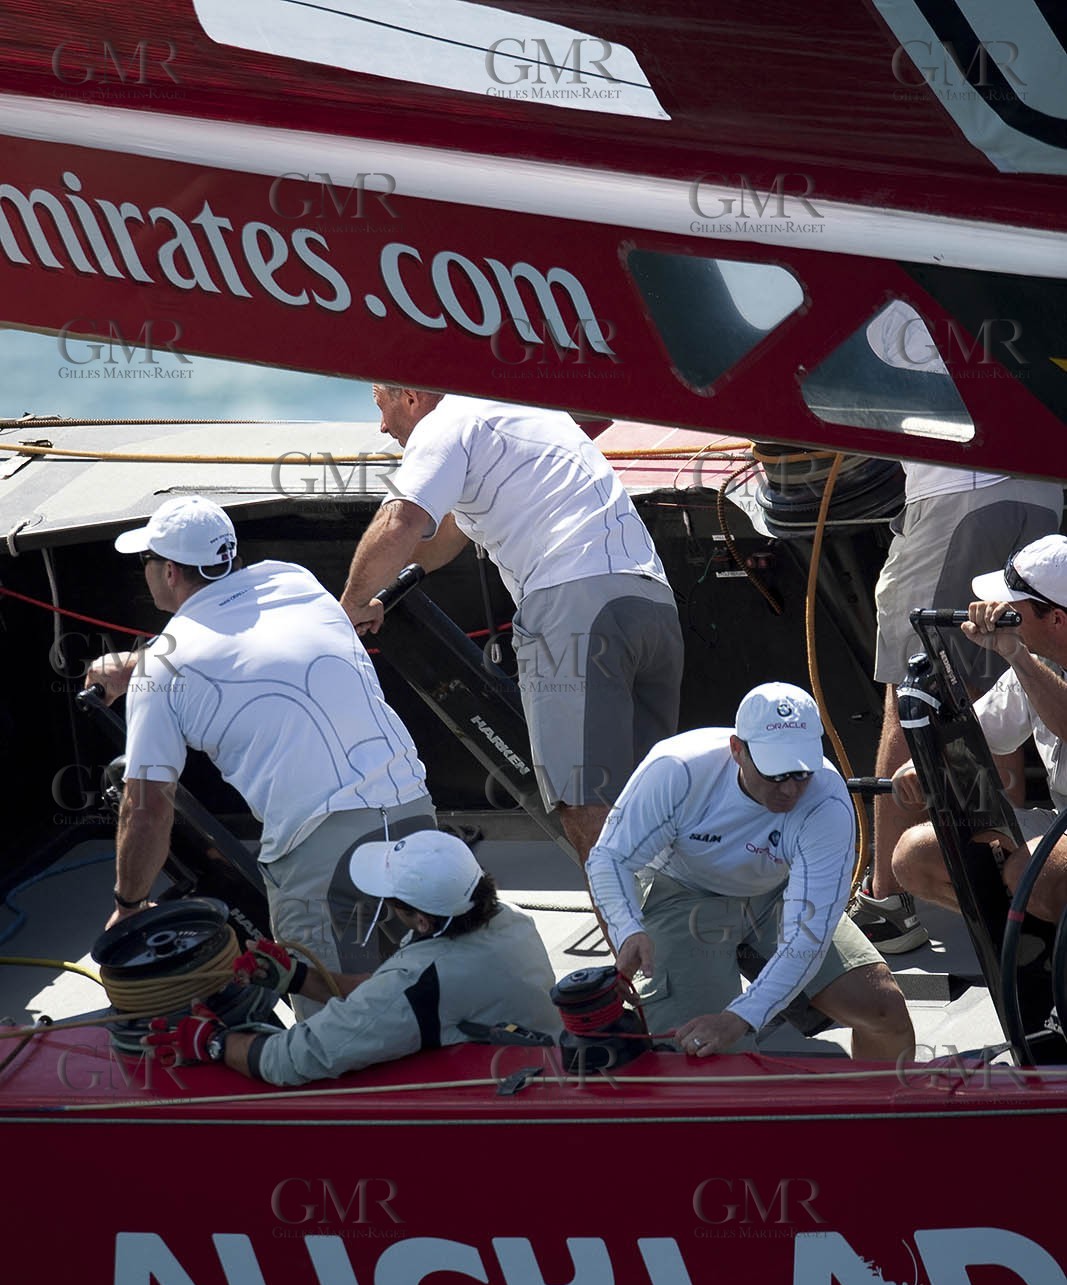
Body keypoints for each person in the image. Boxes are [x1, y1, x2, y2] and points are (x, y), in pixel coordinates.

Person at [86, 496, 434, 1002]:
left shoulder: (163, 667)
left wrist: (130, 902)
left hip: (324, 855)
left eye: (146, 563)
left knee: (341, 1016)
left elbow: (146, 808)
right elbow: (247, 643)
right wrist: (139, 665)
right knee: (428, 979)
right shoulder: (296, 580)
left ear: (167, 572)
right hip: (412, 810)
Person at [338, 388, 685, 863]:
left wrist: (350, 606)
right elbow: (442, 540)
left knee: (583, 800)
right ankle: (683, 925)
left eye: (380, 405)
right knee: (653, 793)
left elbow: (402, 521)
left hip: (573, 604)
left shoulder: (446, 423)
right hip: (649, 602)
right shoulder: (518, 407)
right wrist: (380, 592)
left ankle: (630, 934)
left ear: (412, 397)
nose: (382, 426)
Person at [585, 683, 914, 1060]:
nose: (790, 790)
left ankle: (880, 1116)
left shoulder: (827, 800)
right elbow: (609, 858)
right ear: (737, 750)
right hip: (683, 893)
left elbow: (809, 936)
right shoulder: (677, 769)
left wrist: (741, 1015)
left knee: (885, 1011)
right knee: (703, 1055)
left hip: (776, 891)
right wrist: (628, 928)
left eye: (801, 773)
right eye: (775, 774)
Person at [142, 831, 561, 1085]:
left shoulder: (422, 982)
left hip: (500, 1103)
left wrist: (211, 1041)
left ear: (420, 919)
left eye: (393, 902)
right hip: (544, 1067)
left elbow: (289, 1060)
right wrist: (298, 978)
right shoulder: (508, 922)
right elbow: (395, 996)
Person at [893, 536, 1067, 923]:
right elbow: (980, 737)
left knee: (1034, 873)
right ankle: (1031, 955)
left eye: (1013, 608)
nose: (1000, 611)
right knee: (916, 856)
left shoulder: (1025, 660)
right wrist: (922, 764)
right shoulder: (1034, 663)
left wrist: (1015, 653)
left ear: (1056, 619)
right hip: (1062, 820)